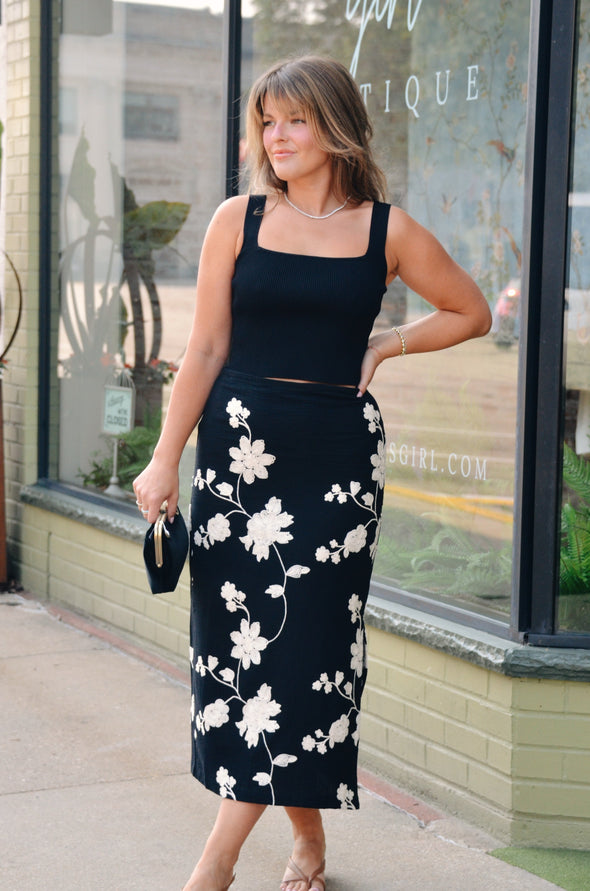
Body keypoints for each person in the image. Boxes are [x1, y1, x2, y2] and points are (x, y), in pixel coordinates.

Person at [133, 55, 491, 891]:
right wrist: (163, 457)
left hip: (333, 465)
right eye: (267, 120)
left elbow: (469, 310)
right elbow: (207, 350)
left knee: (307, 653)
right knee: (243, 658)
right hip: (239, 459)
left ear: (333, 124)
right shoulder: (238, 219)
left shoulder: (386, 231)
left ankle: (212, 867)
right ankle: (308, 840)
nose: (277, 136)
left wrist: (387, 343)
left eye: (294, 119)